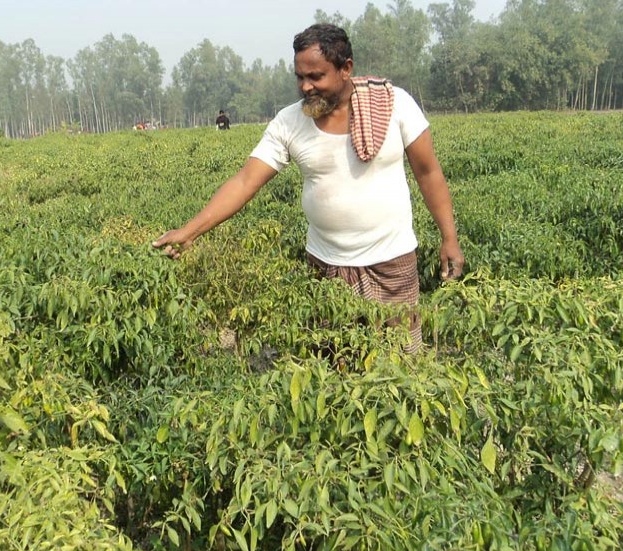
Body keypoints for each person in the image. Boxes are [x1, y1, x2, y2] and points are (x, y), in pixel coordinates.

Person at [152, 24, 464, 351]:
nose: (306, 87)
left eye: (316, 77)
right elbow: (245, 182)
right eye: (300, 77)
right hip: (326, 268)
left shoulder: (394, 105)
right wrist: (190, 231)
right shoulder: (289, 122)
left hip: (392, 262)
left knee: (402, 363)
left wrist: (449, 238)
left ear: (346, 69)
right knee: (332, 366)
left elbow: (428, 174)